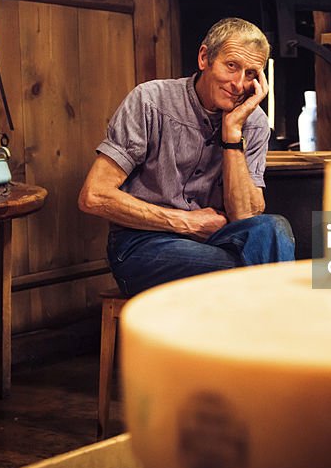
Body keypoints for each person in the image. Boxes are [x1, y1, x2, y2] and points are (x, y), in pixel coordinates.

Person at [78, 17, 296, 296]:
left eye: (251, 73)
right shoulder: (150, 101)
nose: (239, 84)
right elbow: (94, 196)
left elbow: (244, 217)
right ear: (205, 57)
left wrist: (232, 134)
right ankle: (284, 332)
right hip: (142, 245)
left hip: (216, 240)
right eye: (231, 66)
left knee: (273, 228)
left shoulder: (253, 123)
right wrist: (185, 222)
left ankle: (268, 332)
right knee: (253, 274)